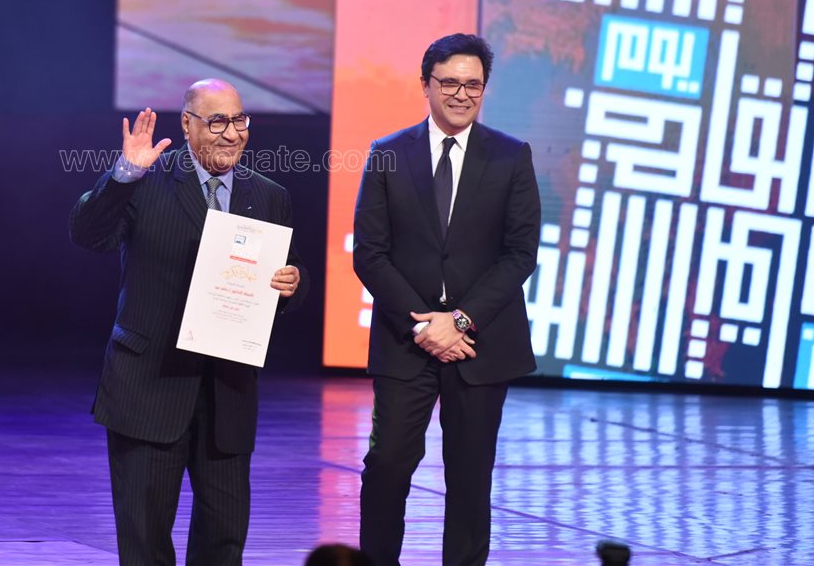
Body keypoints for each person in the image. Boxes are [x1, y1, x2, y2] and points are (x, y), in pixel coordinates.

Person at [70, 78, 309, 566]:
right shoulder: (145, 181)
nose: (232, 133)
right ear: (187, 123)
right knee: (145, 544)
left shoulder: (269, 195)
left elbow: (287, 272)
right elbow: (88, 235)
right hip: (149, 387)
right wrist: (123, 175)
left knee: (224, 543)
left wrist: (293, 283)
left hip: (227, 394)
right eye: (217, 121)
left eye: (239, 120)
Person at [353, 34, 540, 566]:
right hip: (406, 341)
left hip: (481, 343)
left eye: (473, 85)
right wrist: (424, 326)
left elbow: (520, 253)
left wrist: (458, 320)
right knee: (387, 464)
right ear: (426, 85)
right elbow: (370, 253)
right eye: (451, 83)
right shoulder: (388, 154)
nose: (462, 94)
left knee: (470, 475)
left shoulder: (511, 156)